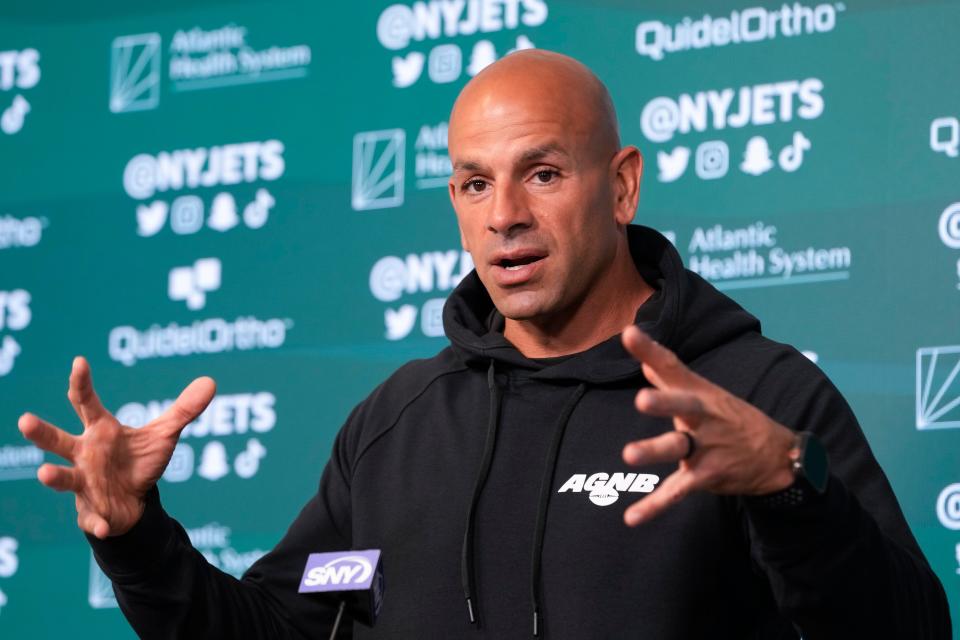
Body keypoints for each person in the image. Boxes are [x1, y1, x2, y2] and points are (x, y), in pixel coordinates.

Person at [18, 50, 951, 639]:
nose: (504, 216)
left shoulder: (755, 395)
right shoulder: (399, 422)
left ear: (621, 186)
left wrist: (792, 486)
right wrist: (136, 540)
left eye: (542, 173)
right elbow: (277, 629)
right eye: (474, 184)